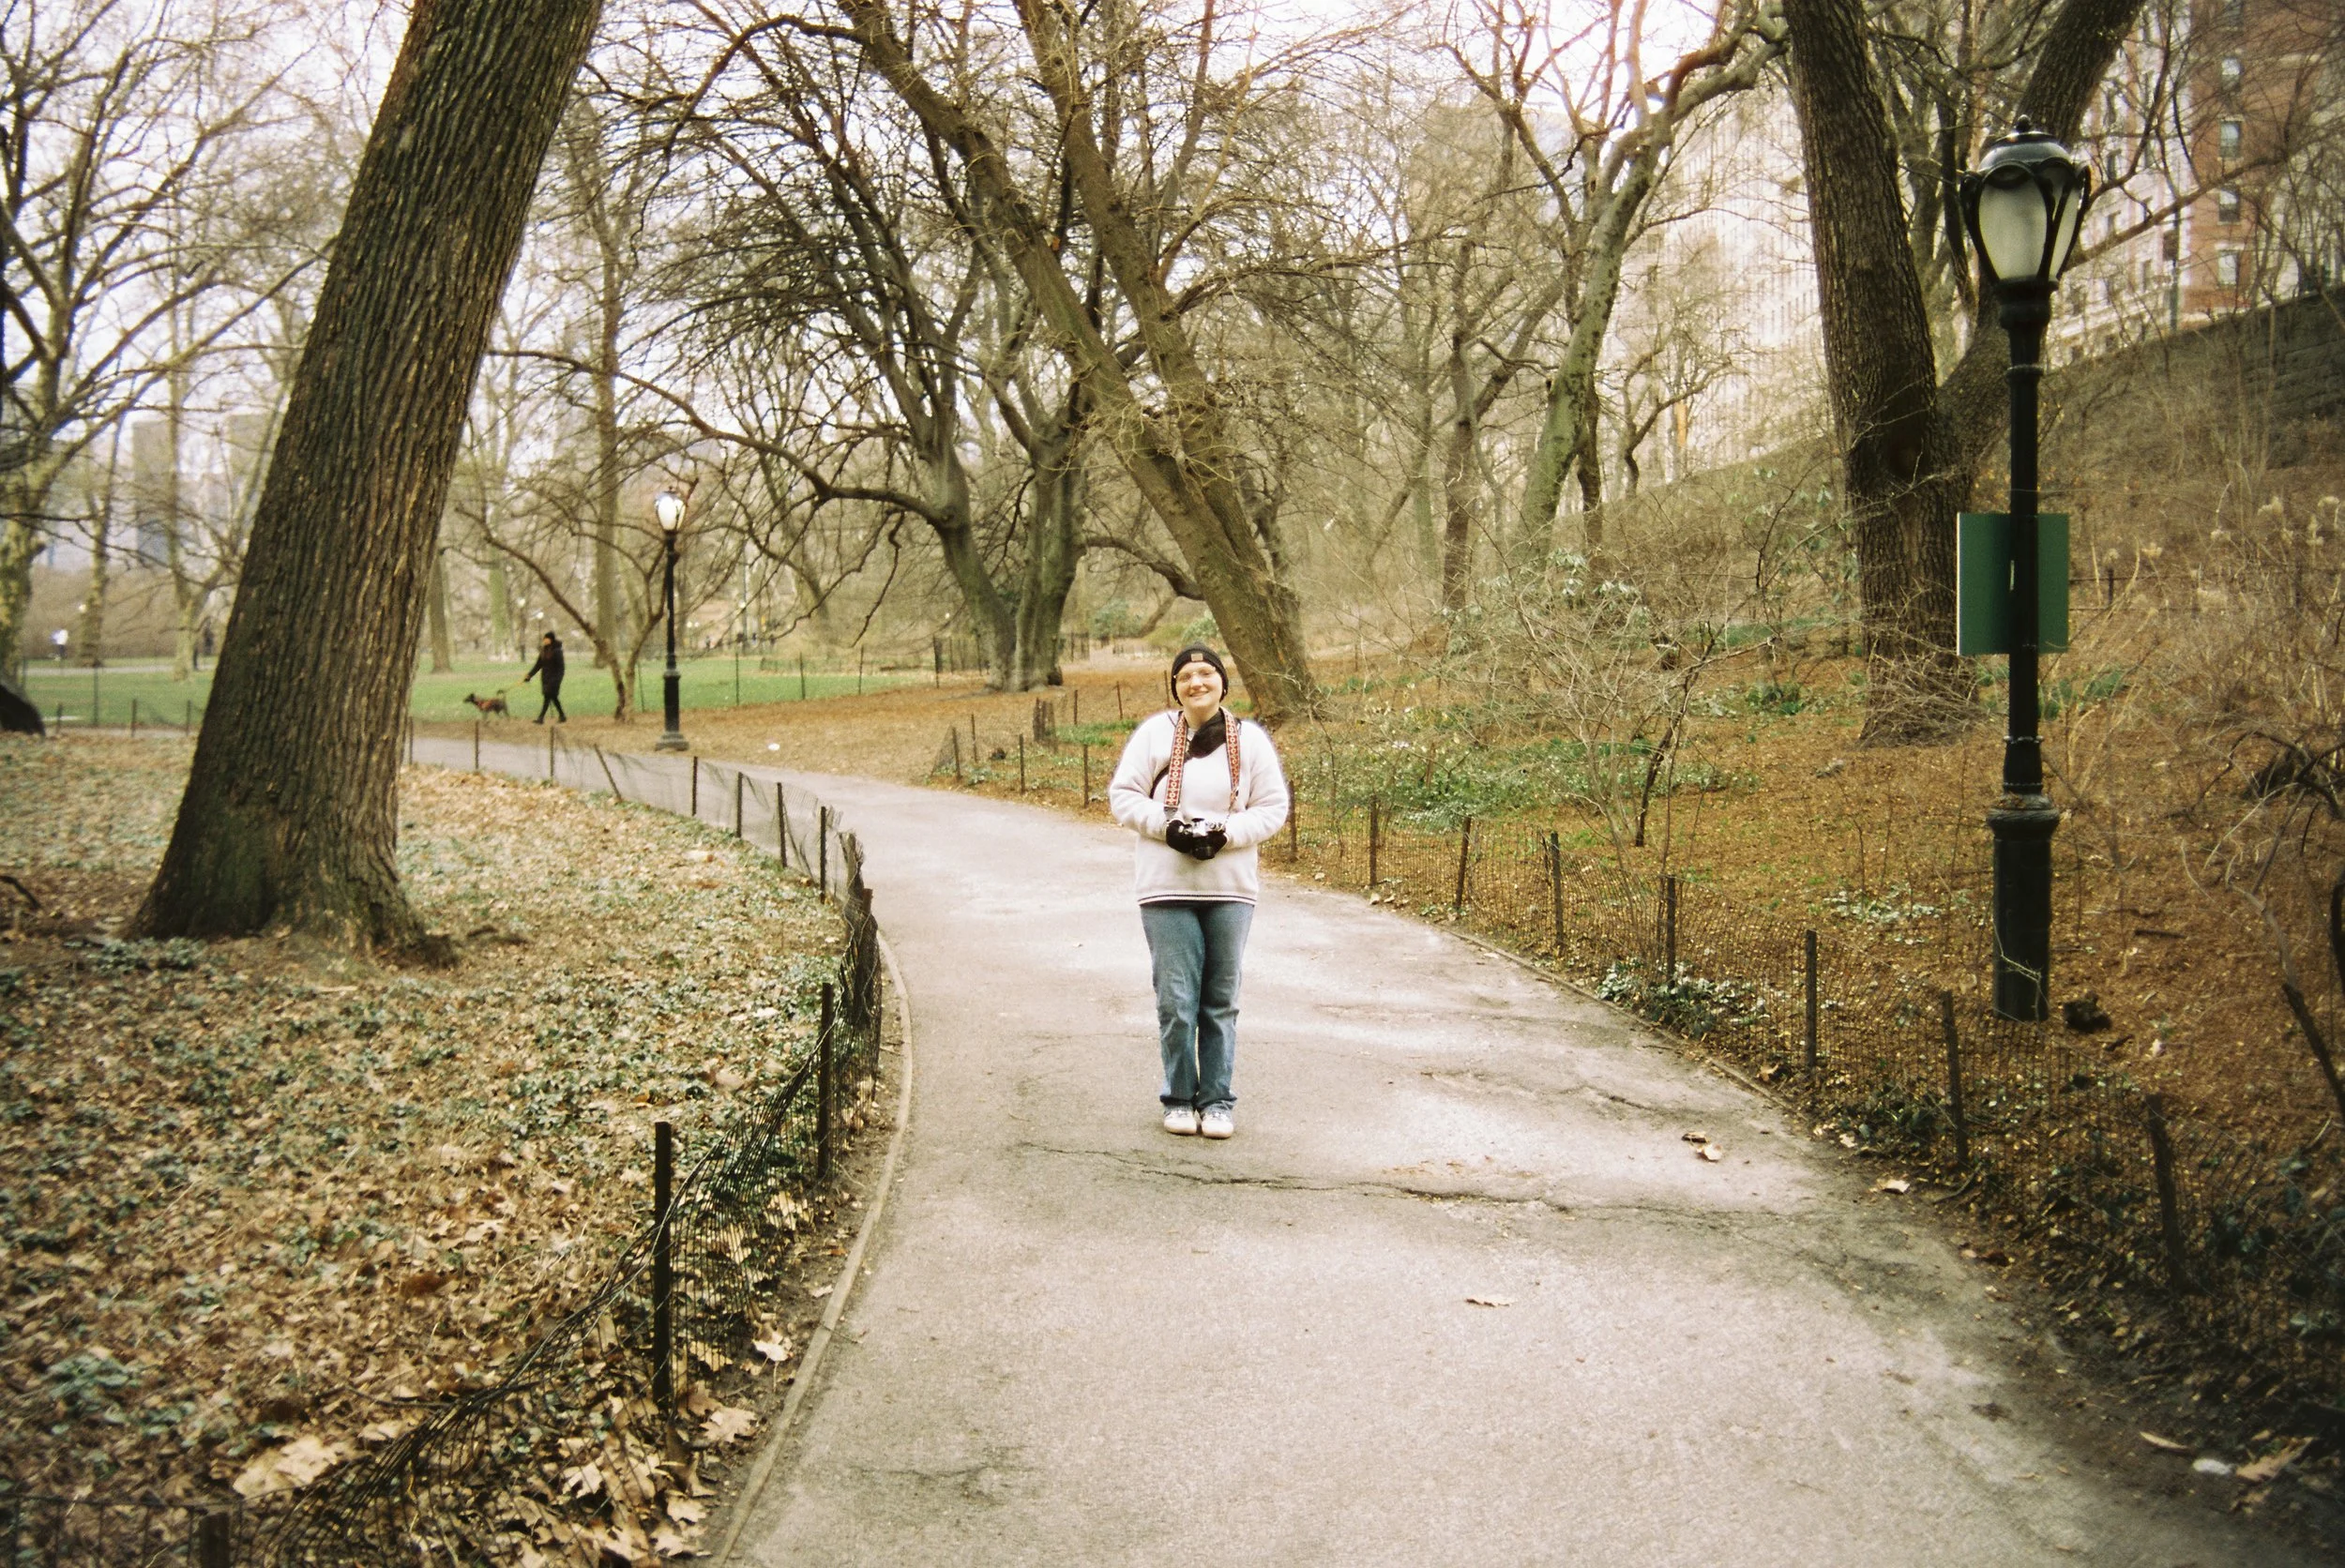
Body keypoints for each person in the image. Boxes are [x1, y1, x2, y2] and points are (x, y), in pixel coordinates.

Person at [1109, 644, 1290, 1139]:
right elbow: (1123, 796)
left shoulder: (1249, 740)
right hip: (1165, 886)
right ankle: (1178, 1098)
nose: (1197, 682)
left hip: (1229, 888)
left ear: (1222, 683)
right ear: (1175, 687)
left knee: (1220, 999)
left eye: (1206, 673)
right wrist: (1167, 828)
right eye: (1186, 676)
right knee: (1176, 998)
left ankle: (1217, 1102)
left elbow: (1273, 806)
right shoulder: (1154, 734)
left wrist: (1224, 834)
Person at [522, 631, 567, 723]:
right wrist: (529, 675)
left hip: (554, 679)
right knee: (553, 697)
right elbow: (538, 665)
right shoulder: (544, 650)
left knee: (548, 697)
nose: (544, 640)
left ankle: (541, 718)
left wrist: (557, 680)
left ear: (551, 639)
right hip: (545, 678)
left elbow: (561, 668)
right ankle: (562, 716)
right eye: (544, 638)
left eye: (546, 638)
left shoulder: (557, 651)